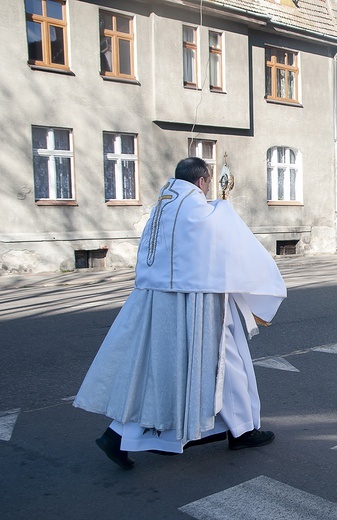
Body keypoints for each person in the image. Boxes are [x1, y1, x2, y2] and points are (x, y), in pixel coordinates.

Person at [74, 157, 287, 469]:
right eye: (208, 184)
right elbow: (232, 246)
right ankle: (241, 433)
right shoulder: (198, 209)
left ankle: (118, 435)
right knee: (223, 366)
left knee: (160, 374)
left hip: (156, 303)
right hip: (198, 305)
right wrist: (225, 210)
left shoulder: (162, 206)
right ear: (202, 181)